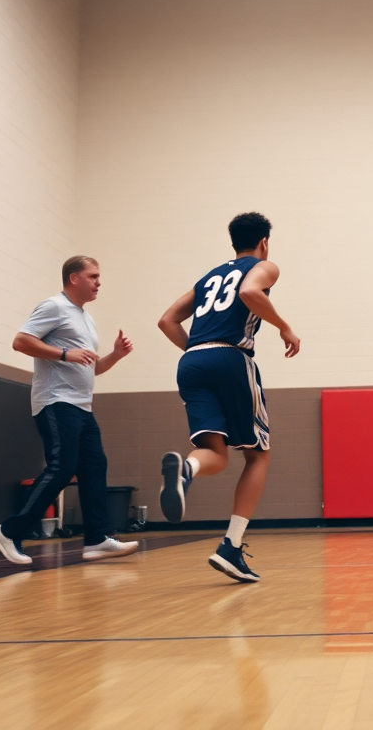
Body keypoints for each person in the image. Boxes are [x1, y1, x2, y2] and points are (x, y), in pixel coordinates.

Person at [157, 212, 300, 583]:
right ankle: (230, 546)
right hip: (231, 357)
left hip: (191, 361)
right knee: (257, 454)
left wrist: (198, 350)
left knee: (215, 455)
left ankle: (186, 470)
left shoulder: (209, 276)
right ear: (264, 242)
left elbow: (167, 320)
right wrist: (285, 328)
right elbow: (250, 293)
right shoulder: (264, 266)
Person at [0, 256, 139, 565]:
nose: (99, 282)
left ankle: (97, 539)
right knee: (62, 467)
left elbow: (91, 368)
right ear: (73, 279)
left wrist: (116, 355)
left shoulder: (86, 318)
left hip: (81, 406)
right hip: (55, 402)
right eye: (93, 276)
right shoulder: (53, 306)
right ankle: (9, 531)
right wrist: (65, 353)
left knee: (94, 466)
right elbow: (21, 341)